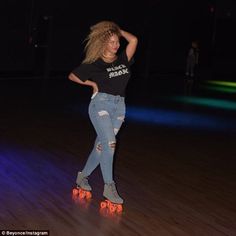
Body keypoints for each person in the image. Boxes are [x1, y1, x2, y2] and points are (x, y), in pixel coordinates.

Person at [68, 21, 138, 205]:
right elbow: (73, 76)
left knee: (101, 147)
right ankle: (109, 186)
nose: (116, 45)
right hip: (101, 105)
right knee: (110, 143)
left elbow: (134, 40)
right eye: (112, 41)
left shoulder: (123, 59)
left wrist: (117, 30)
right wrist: (92, 84)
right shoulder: (95, 63)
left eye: (117, 41)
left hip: (119, 106)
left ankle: (82, 177)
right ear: (103, 43)